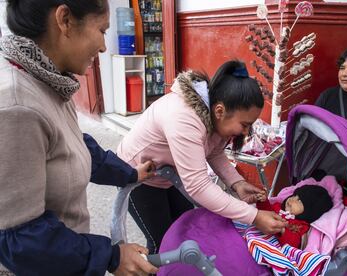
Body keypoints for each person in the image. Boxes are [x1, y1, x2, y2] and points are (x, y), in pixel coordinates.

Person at [0, 1, 158, 275]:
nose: (104, 47)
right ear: (65, 20)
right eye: (102, 30)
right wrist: (110, 256)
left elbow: (76, 147)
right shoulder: (17, 108)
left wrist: (130, 174)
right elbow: (21, 238)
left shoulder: (48, 80)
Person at [117, 60, 288, 254]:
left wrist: (237, 183)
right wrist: (254, 216)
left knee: (183, 233)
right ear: (220, 110)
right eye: (244, 124)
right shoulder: (184, 119)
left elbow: (214, 152)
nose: (245, 132)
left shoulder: (214, 116)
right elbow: (198, 186)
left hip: (167, 176)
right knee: (162, 242)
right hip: (136, 176)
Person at [257, 185, 333, 248]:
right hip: (259, 233)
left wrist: (282, 230)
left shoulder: (301, 225)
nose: (292, 199)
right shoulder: (277, 206)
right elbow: (265, 213)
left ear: (308, 211)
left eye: (299, 200)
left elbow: (294, 244)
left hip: (272, 246)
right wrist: (263, 202)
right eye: (294, 195)